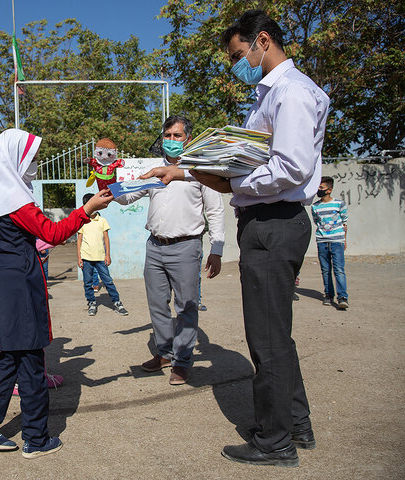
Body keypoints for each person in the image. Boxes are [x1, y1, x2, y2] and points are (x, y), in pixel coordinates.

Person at [143, 10, 328, 467]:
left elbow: (290, 168)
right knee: (275, 337)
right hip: (265, 222)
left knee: (266, 341)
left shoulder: (292, 93)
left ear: (261, 41)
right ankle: (296, 426)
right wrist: (187, 170)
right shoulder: (273, 95)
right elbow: (245, 164)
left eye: (238, 54)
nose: (236, 64)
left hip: (274, 223)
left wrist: (234, 186)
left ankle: (275, 442)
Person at [0, 129, 112, 458]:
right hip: (18, 285)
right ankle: (36, 437)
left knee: (9, 358)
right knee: (31, 361)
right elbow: (53, 232)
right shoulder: (15, 200)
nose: (34, 164)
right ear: (15, 159)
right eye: (30, 158)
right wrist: (86, 209)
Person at [116, 115, 225, 385]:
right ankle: (164, 353)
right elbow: (126, 196)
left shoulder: (199, 169)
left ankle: (182, 361)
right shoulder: (155, 169)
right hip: (155, 245)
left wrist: (217, 248)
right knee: (157, 304)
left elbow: (215, 209)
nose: (171, 141)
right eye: (167, 135)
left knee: (186, 306)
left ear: (188, 139)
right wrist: (104, 177)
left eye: (177, 136)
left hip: (186, 246)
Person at [76, 193, 128, 316]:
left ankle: (117, 302)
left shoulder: (102, 221)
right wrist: (79, 257)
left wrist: (108, 255)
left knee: (108, 281)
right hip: (86, 257)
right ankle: (91, 303)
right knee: (88, 282)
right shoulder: (82, 222)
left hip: (100, 257)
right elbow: (79, 240)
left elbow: (106, 239)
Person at [312, 176, 348, 309]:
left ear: (329, 190)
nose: (319, 190)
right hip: (322, 241)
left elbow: (344, 223)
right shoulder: (315, 207)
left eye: (321, 188)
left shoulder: (339, 204)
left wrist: (344, 240)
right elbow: (317, 221)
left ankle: (342, 297)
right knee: (325, 269)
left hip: (337, 241)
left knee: (339, 269)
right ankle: (328, 294)